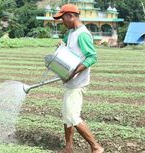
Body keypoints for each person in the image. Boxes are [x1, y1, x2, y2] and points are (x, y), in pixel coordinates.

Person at [53, 4, 104, 153]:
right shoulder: (71, 32)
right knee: (66, 116)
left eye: (63, 18)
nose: (62, 21)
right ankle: (69, 148)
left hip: (77, 82)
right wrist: (61, 43)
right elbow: (68, 45)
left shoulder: (82, 34)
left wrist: (73, 73)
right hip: (70, 81)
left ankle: (96, 147)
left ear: (71, 16)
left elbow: (92, 57)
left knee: (72, 116)